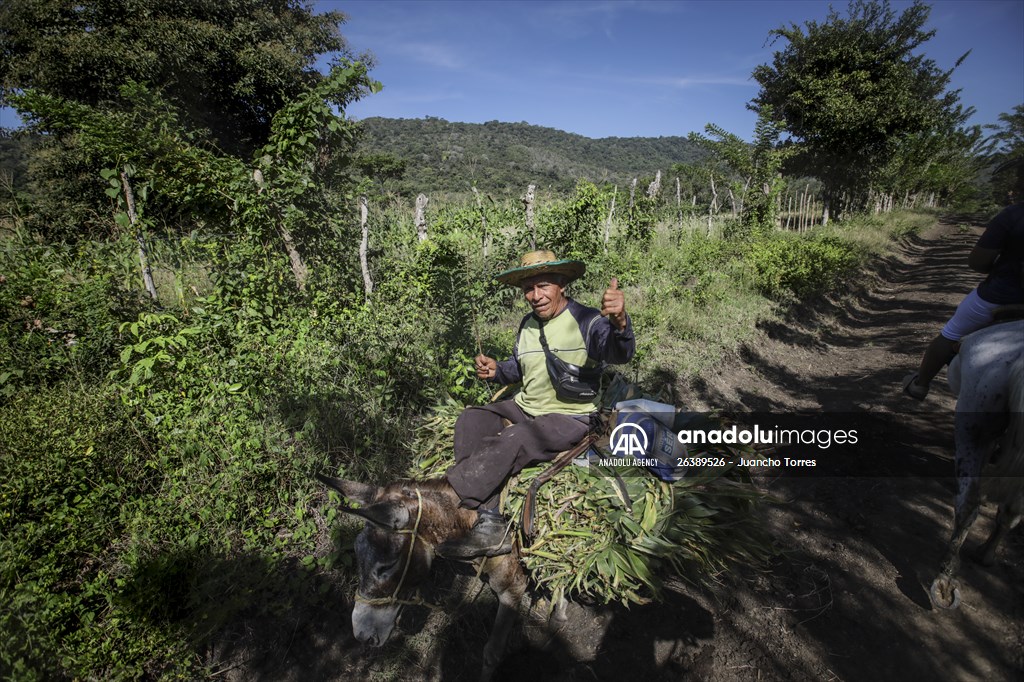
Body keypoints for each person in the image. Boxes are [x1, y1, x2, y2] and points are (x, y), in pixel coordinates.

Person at [438, 250, 635, 558]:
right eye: (529, 288)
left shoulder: (588, 321)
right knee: (470, 418)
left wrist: (621, 322)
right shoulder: (527, 325)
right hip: (525, 406)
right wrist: (497, 370)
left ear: (561, 284)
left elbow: (618, 353)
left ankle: (449, 497)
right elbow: (519, 367)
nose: (535, 295)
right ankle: (489, 519)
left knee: (516, 436)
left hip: (570, 416)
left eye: (543, 286)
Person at [904, 164, 1024, 400]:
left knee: (951, 333)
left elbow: (978, 262)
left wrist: (1000, 270)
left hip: (1001, 295)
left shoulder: (1013, 215)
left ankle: (921, 384)